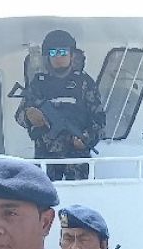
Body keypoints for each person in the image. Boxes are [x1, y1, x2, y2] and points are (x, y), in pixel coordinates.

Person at [15, 29, 104, 182]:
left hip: (77, 161)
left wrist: (86, 139)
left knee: (79, 202)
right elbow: (19, 116)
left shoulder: (85, 84)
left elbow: (100, 120)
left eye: (63, 52)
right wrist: (29, 116)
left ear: (72, 55)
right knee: (44, 203)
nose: (58, 57)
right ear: (47, 56)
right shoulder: (38, 84)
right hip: (46, 160)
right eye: (53, 52)